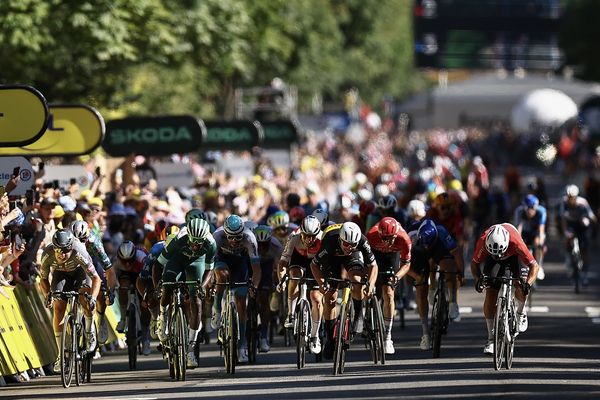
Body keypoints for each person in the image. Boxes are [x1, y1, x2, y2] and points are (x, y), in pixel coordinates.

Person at [310, 222, 378, 359]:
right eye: (347, 244)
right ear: (341, 240)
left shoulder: (361, 242)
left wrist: (370, 284)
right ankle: (330, 339)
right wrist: (322, 283)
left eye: (353, 244)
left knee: (357, 281)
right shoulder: (329, 243)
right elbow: (314, 265)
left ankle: (358, 315)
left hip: (353, 259)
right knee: (330, 297)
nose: (350, 247)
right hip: (331, 258)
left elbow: (373, 266)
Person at [156, 218, 216, 368]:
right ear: (188, 236)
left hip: (196, 264)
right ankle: (163, 318)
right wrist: (157, 285)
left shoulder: (211, 243)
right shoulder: (179, 238)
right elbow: (158, 265)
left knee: (196, 301)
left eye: (199, 242)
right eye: (193, 241)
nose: (196, 245)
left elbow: (209, 269)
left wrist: (202, 286)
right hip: (177, 261)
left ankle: (190, 351)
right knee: (168, 285)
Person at [471, 223, 539, 354]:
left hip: (514, 257)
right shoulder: (483, 240)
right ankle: (491, 339)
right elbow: (475, 264)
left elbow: (534, 267)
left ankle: (521, 311)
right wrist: (478, 279)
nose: (499, 255)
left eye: (500, 253)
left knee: (521, 285)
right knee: (490, 294)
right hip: (492, 259)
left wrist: (528, 284)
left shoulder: (516, 242)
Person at [39, 229, 101, 373]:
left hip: (81, 272)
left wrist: (92, 298)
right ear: (53, 248)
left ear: (72, 246)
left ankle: (89, 331)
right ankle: (61, 355)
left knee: (83, 298)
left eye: (66, 250)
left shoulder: (80, 252)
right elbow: (43, 278)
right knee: (58, 308)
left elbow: (96, 278)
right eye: (59, 251)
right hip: (61, 275)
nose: (62, 254)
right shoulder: (47, 254)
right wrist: (47, 294)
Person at [211, 214, 261, 363]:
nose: (233, 241)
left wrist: (254, 286)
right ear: (225, 233)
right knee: (222, 276)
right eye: (230, 237)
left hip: (240, 262)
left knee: (241, 299)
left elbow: (256, 269)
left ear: (242, 233)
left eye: (237, 237)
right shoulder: (217, 237)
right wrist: (212, 282)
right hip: (221, 260)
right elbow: (209, 265)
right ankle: (217, 310)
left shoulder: (249, 238)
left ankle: (241, 346)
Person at [407, 219, 463, 350]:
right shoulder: (410, 237)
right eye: (425, 244)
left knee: (449, 269)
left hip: (439, 248)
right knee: (420, 290)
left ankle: (453, 302)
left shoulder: (442, 232)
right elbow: (403, 264)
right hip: (418, 252)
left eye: (429, 244)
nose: (427, 247)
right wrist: (416, 277)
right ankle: (425, 333)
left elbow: (457, 253)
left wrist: (461, 274)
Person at [277, 215, 324, 353]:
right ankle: (291, 314)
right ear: (301, 232)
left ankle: (315, 337)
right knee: (294, 276)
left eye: (312, 236)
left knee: (316, 297)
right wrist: (281, 280)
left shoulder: (322, 239)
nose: (309, 240)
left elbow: (327, 263)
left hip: (316, 263)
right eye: (306, 236)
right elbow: (283, 263)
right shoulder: (293, 237)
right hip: (299, 259)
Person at [366, 217, 411, 355]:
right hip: (376, 255)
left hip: (392, 257)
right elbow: (366, 261)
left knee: (389, 293)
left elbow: (406, 264)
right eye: (384, 238)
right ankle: (366, 312)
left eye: (390, 238)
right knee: (370, 287)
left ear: (396, 234)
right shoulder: (371, 236)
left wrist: (397, 277)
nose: (387, 241)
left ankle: (387, 337)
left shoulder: (404, 239)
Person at [70, 220, 116, 346]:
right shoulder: (67, 239)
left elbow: (109, 270)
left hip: (92, 263)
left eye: (83, 240)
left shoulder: (94, 243)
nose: (80, 243)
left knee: (100, 288)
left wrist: (110, 291)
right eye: (77, 240)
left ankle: (100, 318)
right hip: (74, 262)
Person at [114, 240, 153, 355]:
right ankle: (123, 318)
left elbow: (149, 275)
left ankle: (145, 338)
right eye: (124, 261)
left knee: (145, 304)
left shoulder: (142, 257)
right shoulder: (117, 262)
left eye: (129, 261)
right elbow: (113, 276)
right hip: (126, 275)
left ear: (134, 256)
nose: (127, 264)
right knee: (123, 287)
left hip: (141, 274)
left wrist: (146, 295)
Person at [252, 225, 283, 353]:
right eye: (260, 245)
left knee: (264, 297)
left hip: (267, 266)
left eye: (265, 244)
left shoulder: (276, 246)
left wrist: (277, 282)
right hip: (252, 263)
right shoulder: (251, 244)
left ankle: (264, 336)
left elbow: (279, 267)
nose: (263, 248)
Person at [558, 184, 597, 285]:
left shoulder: (583, 202)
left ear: (576, 196)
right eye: (569, 197)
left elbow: (592, 216)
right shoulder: (564, 202)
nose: (570, 199)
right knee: (568, 238)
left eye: (572, 197)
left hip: (581, 225)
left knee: (584, 249)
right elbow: (563, 219)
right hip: (570, 224)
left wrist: (592, 222)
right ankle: (568, 256)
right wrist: (565, 232)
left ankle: (585, 274)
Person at [513, 194, 547, 280]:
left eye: (532, 208)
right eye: (528, 208)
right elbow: (518, 229)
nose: (530, 211)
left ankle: (539, 266)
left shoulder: (541, 211)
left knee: (538, 243)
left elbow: (541, 229)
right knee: (519, 247)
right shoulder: (519, 211)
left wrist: (541, 243)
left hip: (535, 232)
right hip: (524, 232)